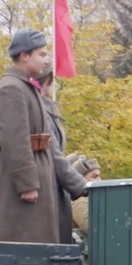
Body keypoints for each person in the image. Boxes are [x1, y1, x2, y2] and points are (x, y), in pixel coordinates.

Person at [0, 29, 59, 244]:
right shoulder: (11, 89)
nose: (46, 60)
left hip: (35, 169)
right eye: (41, 54)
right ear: (24, 55)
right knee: (21, 241)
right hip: (18, 182)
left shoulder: (23, 86)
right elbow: (15, 140)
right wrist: (27, 183)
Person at [37, 65, 87, 244]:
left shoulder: (45, 110)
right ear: (47, 81)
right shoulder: (39, 111)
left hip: (53, 187)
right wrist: (82, 186)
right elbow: (54, 155)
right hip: (46, 189)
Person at [67, 154, 101, 237]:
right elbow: (95, 230)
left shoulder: (94, 199)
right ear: (80, 179)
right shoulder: (79, 201)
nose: (100, 181)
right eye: (94, 176)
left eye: (99, 176)